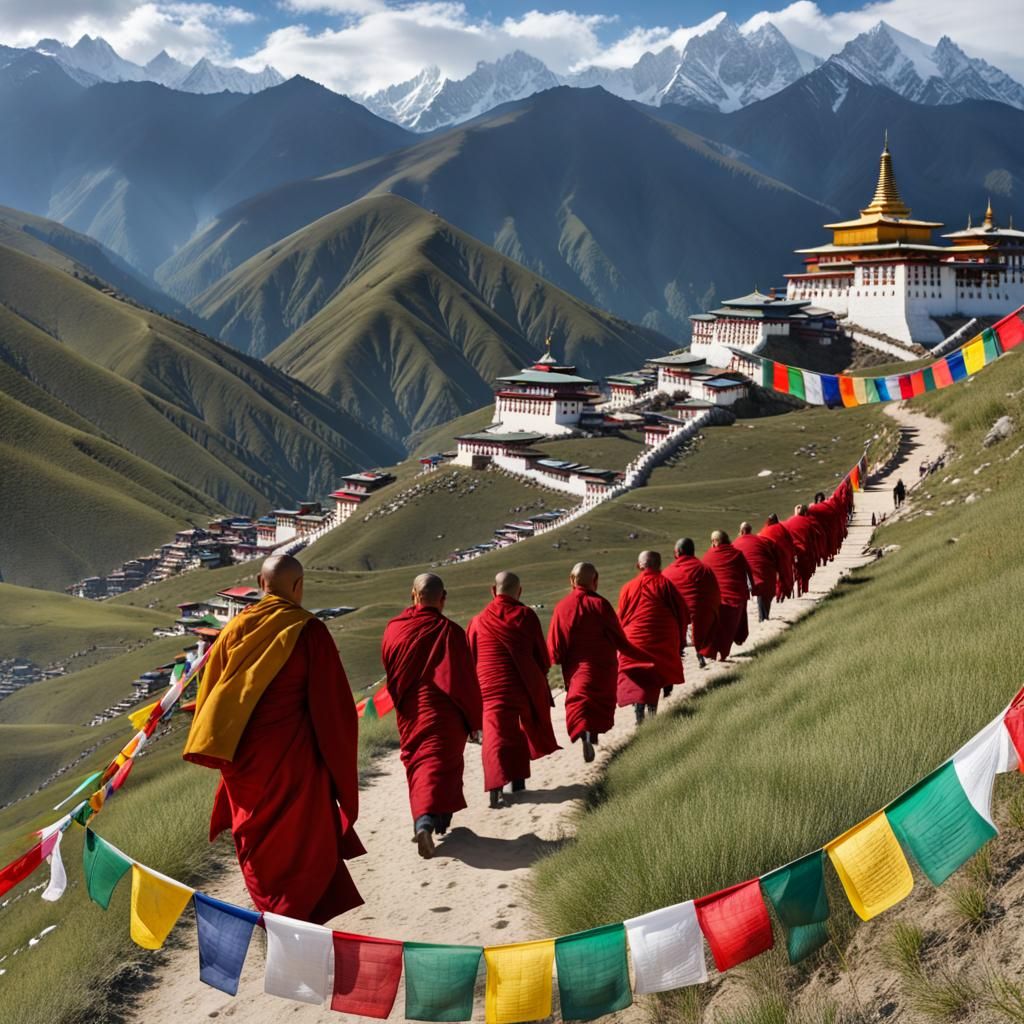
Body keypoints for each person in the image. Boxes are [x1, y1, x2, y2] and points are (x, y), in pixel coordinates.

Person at [183, 555, 364, 924]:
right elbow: (333, 708)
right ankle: (297, 919)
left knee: (259, 845)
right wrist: (337, 761)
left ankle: (273, 914)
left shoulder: (235, 629)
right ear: (298, 586)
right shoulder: (309, 630)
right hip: (294, 761)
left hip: (246, 765)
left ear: (260, 583)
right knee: (303, 840)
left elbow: (209, 695)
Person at [381, 573, 483, 859]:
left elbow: (391, 669)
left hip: (413, 711)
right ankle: (434, 819)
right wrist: (474, 721)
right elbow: (465, 681)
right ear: (443, 598)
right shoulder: (451, 632)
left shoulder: (394, 629)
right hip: (447, 713)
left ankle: (426, 820)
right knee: (444, 764)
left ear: (413, 595)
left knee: (420, 763)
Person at [467, 572, 559, 810]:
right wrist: (540, 675)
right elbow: (542, 654)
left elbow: (470, 657)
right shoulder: (526, 615)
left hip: (489, 685)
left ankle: (496, 786)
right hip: (522, 684)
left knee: (495, 734)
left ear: (492, 590)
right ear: (519, 591)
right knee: (520, 729)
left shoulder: (477, 621)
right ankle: (517, 782)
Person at [547, 562, 651, 763]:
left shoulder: (563, 607)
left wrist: (553, 661)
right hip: (602, 667)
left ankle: (584, 733)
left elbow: (555, 643)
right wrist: (642, 656)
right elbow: (619, 639)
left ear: (571, 580)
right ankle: (591, 735)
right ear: (595, 581)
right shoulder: (601, 604)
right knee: (598, 703)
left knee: (579, 703)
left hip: (577, 669)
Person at [616, 551, 687, 724]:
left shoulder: (628, 587)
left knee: (637, 675)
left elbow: (621, 618)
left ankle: (639, 710)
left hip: (634, 641)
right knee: (657, 672)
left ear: (639, 566)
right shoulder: (665, 584)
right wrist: (680, 640)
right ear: (659, 565)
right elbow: (682, 613)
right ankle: (652, 711)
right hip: (661, 641)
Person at [663, 538, 721, 669]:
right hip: (701, 612)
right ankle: (700, 654)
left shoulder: (668, 572)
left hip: (678, 615)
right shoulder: (704, 569)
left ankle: (678, 653)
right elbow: (714, 592)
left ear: (677, 552)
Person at [702, 531, 754, 661]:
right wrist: (754, 587)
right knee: (729, 628)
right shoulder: (737, 554)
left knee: (716, 628)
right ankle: (723, 653)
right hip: (735, 596)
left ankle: (713, 652)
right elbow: (748, 572)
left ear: (714, 541)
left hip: (715, 599)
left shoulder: (708, 556)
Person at [732, 522, 780, 622]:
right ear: (750, 530)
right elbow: (770, 555)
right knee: (763, 589)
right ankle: (764, 617)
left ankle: (753, 617)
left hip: (747, 574)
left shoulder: (735, 543)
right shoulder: (760, 540)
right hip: (763, 571)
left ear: (741, 531)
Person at [782, 505, 826, 594]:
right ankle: (804, 591)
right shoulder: (808, 522)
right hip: (805, 551)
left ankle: (797, 591)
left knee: (796, 572)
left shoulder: (789, 521)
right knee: (805, 574)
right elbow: (815, 537)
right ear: (806, 512)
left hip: (793, 551)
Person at [759, 514, 797, 602]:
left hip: (769, 556)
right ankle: (782, 593)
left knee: (774, 576)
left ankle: (777, 594)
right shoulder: (782, 528)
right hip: (782, 554)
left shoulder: (764, 530)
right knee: (784, 574)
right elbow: (790, 542)